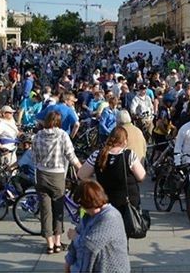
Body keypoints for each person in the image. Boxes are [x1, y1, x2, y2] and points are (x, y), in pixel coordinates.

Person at [78, 126, 145, 236]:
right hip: (126, 203)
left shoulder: (97, 155)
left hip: (105, 202)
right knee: (123, 235)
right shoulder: (129, 155)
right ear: (124, 140)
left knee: (105, 232)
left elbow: (81, 174)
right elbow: (141, 176)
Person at [32, 110, 83, 254]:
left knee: (45, 210)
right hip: (57, 175)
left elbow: (34, 158)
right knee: (58, 208)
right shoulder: (62, 135)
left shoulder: (37, 136)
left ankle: (49, 244)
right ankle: (58, 242)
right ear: (59, 122)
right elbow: (71, 156)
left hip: (41, 174)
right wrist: (81, 170)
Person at [64, 180, 130, 273]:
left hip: (109, 268)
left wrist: (75, 237)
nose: (84, 209)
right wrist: (68, 262)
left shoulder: (110, 216)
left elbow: (89, 246)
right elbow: (75, 242)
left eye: (85, 206)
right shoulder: (87, 216)